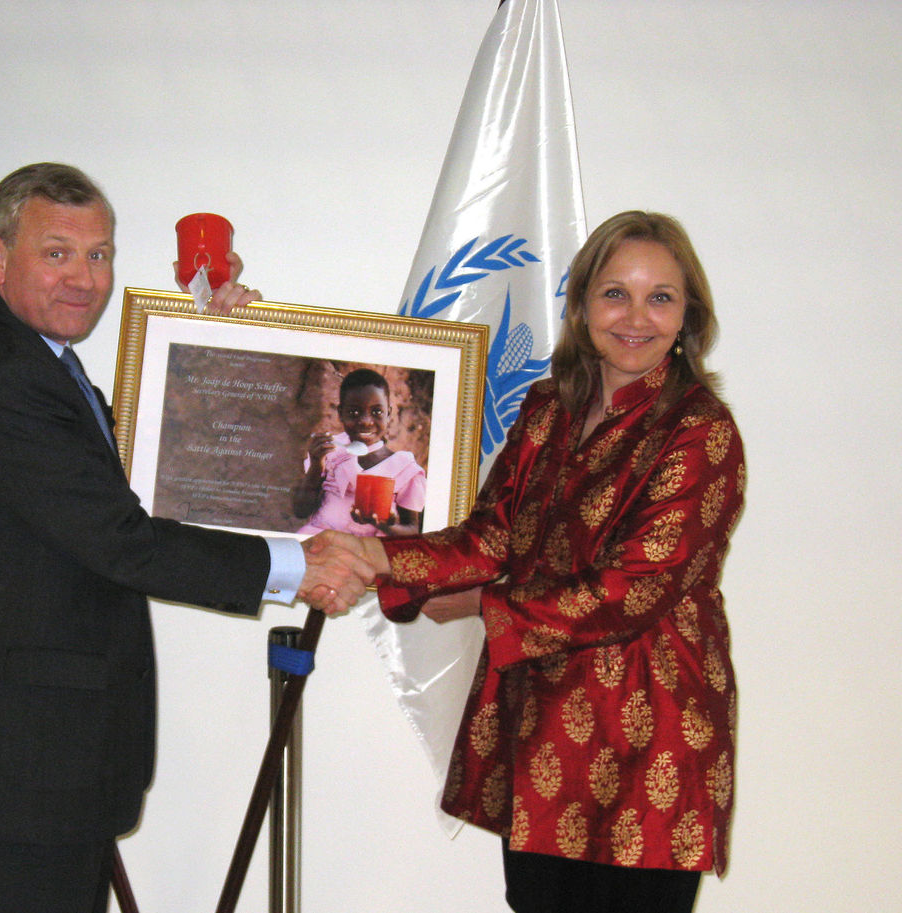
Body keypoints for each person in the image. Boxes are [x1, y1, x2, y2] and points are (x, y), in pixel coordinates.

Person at [0, 163, 370, 913]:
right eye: (56, 252)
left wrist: (206, 340)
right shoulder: (9, 380)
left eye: (99, 254)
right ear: (0, 257)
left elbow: (106, 483)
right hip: (21, 768)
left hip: (44, 760)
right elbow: (121, 538)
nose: (84, 278)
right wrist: (296, 563)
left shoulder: (36, 362)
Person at [312, 212, 745, 912]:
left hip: (651, 734)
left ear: (688, 313)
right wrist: (374, 554)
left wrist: (482, 606)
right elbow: (492, 537)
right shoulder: (549, 407)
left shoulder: (701, 430)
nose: (636, 316)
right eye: (615, 293)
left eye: (660, 297)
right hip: (545, 722)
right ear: (580, 303)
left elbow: (630, 591)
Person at [292, 368, 426, 536]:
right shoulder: (331, 453)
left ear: (389, 414)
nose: (365, 421)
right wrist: (316, 466)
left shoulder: (403, 468)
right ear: (340, 414)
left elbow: (412, 531)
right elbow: (300, 511)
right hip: (319, 538)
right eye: (354, 412)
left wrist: (382, 524)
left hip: (366, 551)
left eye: (376, 412)